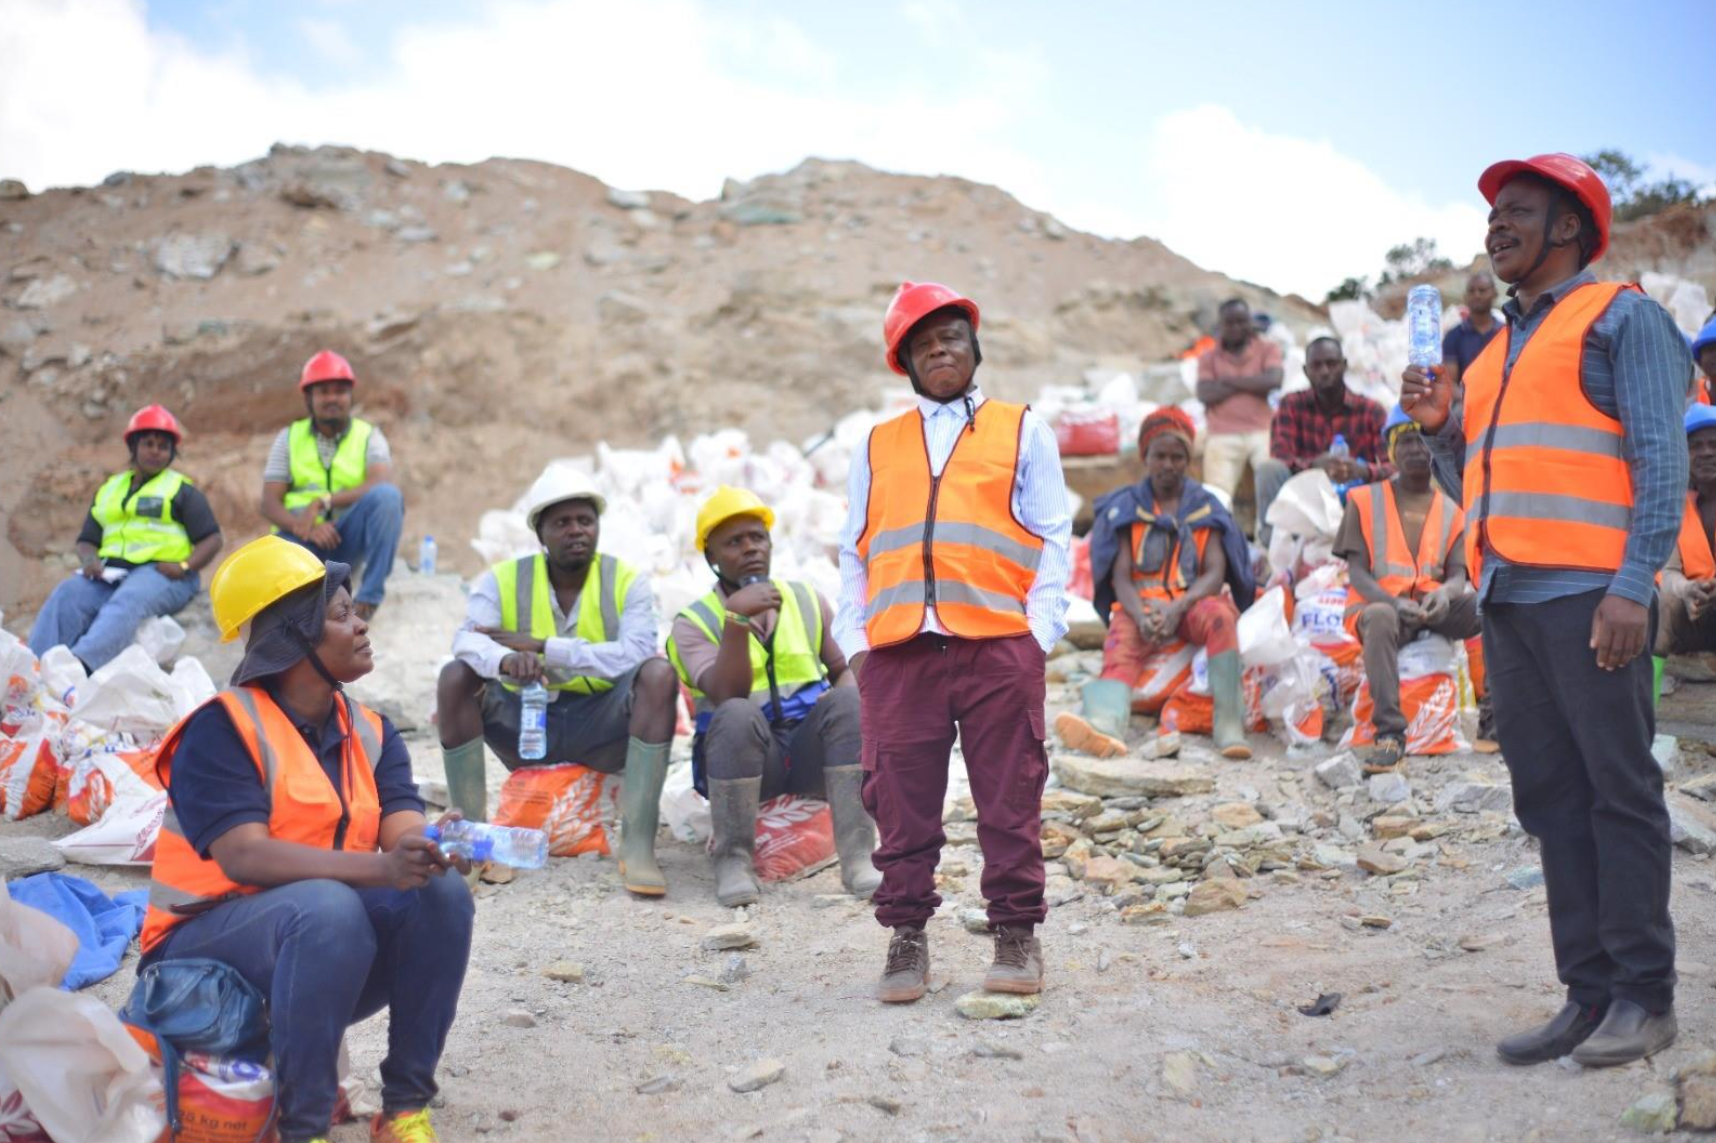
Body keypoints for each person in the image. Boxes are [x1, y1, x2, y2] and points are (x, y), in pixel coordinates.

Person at [1403, 153, 1693, 1068]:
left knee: (1620, 791)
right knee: (1551, 799)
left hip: (1592, 598)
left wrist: (1633, 584)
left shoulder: (1626, 318)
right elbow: (1473, 488)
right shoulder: (1490, 356)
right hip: (1511, 604)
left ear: (1569, 228)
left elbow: (1662, 457)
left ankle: (1646, 997)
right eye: (1490, 216)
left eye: (1516, 212)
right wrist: (1442, 429)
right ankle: (1589, 992)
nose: (1494, 228)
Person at [138, 535, 473, 1143]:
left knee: (440, 894)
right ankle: (305, 1127)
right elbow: (244, 854)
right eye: (341, 614)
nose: (361, 623)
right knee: (328, 906)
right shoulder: (223, 726)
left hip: (309, 948)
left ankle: (403, 1110)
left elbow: (402, 832)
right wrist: (380, 871)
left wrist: (433, 846)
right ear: (290, 640)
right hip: (197, 961)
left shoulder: (372, 732)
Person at [837, 281, 1071, 1005]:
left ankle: (1015, 935)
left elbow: (1054, 535)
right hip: (901, 652)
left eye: (952, 338)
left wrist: (1040, 634)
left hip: (999, 645)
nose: (940, 350)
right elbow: (854, 549)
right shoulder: (877, 445)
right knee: (901, 803)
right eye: (923, 343)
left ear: (976, 349)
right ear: (903, 362)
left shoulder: (1022, 429)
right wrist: (857, 645)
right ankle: (906, 938)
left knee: (1009, 797)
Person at [435, 469, 678, 896]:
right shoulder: (502, 579)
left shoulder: (627, 581)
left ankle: (638, 846)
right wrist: (508, 660)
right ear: (541, 534)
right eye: (562, 523)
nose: (576, 531)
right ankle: (469, 847)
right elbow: (466, 640)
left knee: (658, 675)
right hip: (526, 726)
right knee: (455, 676)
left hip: (600, 725)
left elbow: (638, 651)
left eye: (585, 520)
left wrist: (547, 647)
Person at [665, 486, 881, 905]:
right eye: (733, 542)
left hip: (806, 757)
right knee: (736, 713)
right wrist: (735, 620)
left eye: (757, 538)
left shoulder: (805, 599)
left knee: (850, 700)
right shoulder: (693, 622)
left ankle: (858, 858)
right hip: (743, 763)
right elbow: (727, 694)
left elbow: (843, 671)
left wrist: (833, 715)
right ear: (711, 557)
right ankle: (733, 860)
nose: (749, 549)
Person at [1058, 409, 1257, 760]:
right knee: (1120, 646)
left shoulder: (1205, 507)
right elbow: (1119, 575)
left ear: (1188, 460)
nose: (1168, 464)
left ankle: (1228, 724)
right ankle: (1104, 725)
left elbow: (1214, 572)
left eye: (1177, 457)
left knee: (1222, 618)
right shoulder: (1126, 507)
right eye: (1160, 456)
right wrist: (1140, 615)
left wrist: (1177, 607)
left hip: (1190, 602)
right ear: (1144, 457)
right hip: (1141, 605)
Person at [1334, 408, 1487, 772]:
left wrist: (1446, 595)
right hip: (1380, 608)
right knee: (1381, 618)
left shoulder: (1453, 507)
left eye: (1422, 439)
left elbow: (1456, 574)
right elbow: (1356, 573)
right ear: (1391, 450)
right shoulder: (1363, 500)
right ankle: (1390, 734)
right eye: (1405, 441)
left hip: (1433, 609)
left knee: (1491, 606)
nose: (1416, 449)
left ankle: (1495, 722)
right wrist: (1392, 602)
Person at [29, 405, 223, 671]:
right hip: (111, 573)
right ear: (133, 446)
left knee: (130, 600)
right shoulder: (110, 488)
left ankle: (77, 669)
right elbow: (87, 539)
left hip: (164, 574)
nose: (156, 451)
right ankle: (33, 670)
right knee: (67, 594)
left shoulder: (181, 490)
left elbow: (212, 539)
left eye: (163, 446)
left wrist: (184, 566)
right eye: (149, 443)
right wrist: (89, 559)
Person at [260, 350, 404, 621]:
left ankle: (368, 600)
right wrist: (305, 527)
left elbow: (379, 481)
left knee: (388, 497)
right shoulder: (288, 438)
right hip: (301, 538)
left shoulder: (369, 435)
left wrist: (323, 501)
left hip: (347, 537)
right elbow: (269, 503)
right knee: (272, 552)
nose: (332, 398)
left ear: (350, 396)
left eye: (339, 391)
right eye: (323, 392)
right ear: (308, 398)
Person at [1255, 337, 1391, 543]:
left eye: (1331, 363)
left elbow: (1394, 467)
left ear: (1344, 366)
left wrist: (1363, 471)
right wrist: (1315, 466)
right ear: (1305, 371)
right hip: (1304, 504)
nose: (1325, 371)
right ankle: (1276, 547)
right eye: (1316, 365)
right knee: (1268, 469)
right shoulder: (1291, 405)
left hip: (1357, 504)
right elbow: (1280, 458)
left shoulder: (1371, 411)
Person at [1196, 297, 1283, 508]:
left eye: (1241, 321)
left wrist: (1228, 381)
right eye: (1230, 322)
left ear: (1250, 322)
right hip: (1222, 433)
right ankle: (1221, 539)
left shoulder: (1267, 348)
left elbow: (1273, 380)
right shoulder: (1208, 356)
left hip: (1262, 430)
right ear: (1221, 325)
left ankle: (1267, 540)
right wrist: (1253, 382)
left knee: (1271, 481)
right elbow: (1205, 393)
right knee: (1217, 496)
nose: (1236, 327)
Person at [1656, 404, 1716, 656]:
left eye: (1714, 444)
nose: (1706, 453)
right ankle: (1651, 692)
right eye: (1695, 446)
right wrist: (1687, 590)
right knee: (1660, 601)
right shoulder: (1675, 507)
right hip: (1698, 613)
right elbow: (1668, 573)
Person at [1442, 272, 1504, 385]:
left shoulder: (1507, 333)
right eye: (1471, 291)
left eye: (1482, 290)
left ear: (1494, 294)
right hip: (1465, 401)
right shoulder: (1453, 336)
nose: (1477, 295)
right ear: (1465, 297)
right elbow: (1450, 384)